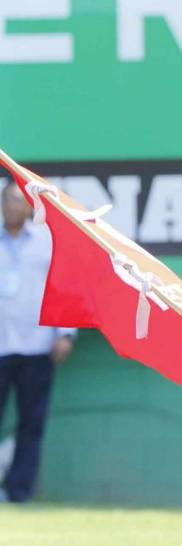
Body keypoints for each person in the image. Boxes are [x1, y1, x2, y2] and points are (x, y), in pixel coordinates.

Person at [0, 181, 75, 502]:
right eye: (8, 201)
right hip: (1, 344)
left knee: (31, 424)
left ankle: (19, 493)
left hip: (36, 345)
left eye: (20, 201)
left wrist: (65, 333)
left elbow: (65, 289)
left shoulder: (46, 243)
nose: (14, 207)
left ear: (31, 206)